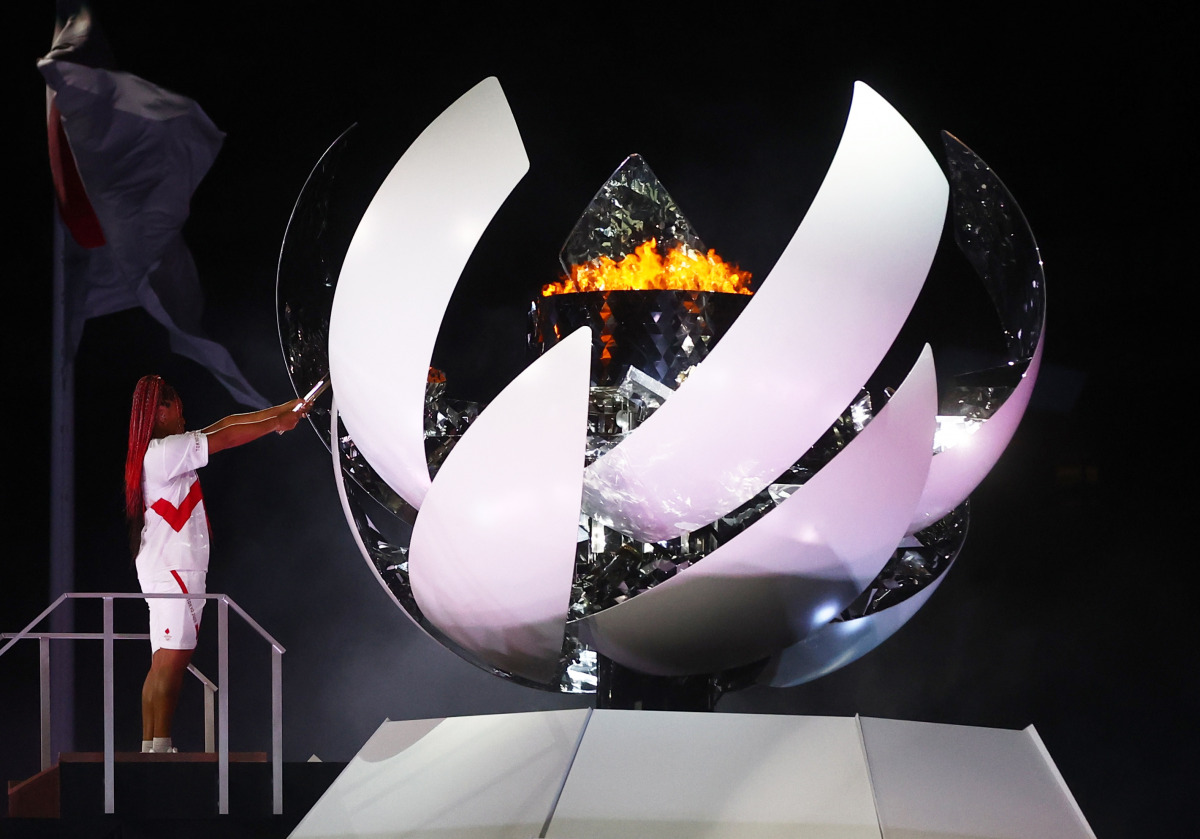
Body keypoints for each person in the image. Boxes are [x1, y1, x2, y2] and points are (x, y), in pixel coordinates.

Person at [124, 375, 306, 753]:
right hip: (176, 568)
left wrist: (283, 410)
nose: (182, 414)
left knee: (162, 660)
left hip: (165, 566)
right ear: (160, 412)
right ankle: (159, 748)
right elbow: (225, 439)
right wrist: (275, 423)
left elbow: (224, 425)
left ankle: (150, 747)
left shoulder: (159, 450)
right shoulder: (164, 450)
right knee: (173, 662)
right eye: (176, 408)